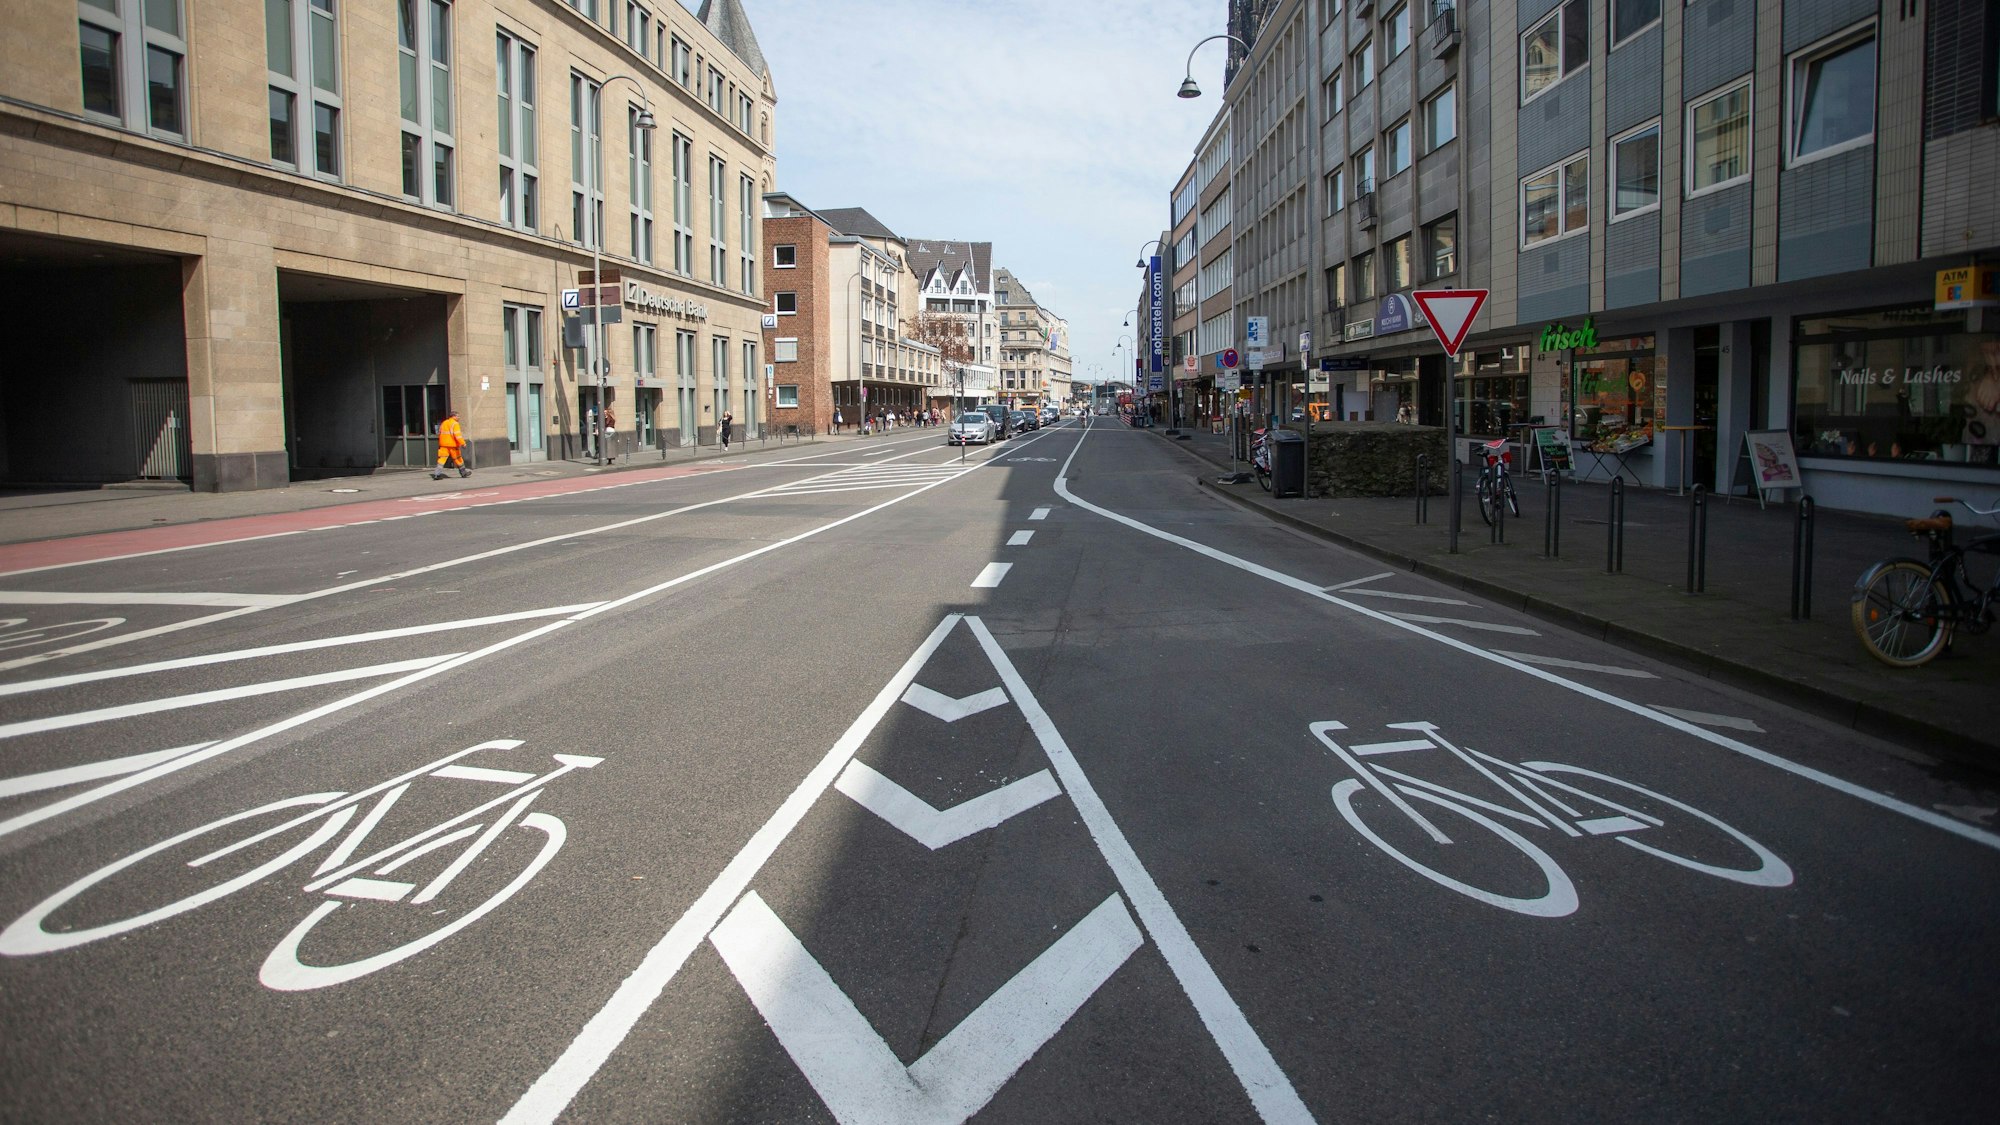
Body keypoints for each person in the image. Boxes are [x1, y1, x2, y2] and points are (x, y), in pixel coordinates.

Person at [432, 408, 468, 479]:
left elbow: (440, 433)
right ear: (453, 416)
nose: (459, 417)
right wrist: (463, 443)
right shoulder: (455, 424)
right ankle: (463, 473)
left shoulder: (444, 423)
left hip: (443, 445)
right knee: (458, 459)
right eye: (458, 416)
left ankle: (437, 474)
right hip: (452, 445)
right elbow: (457, 435)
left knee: (441, 459)